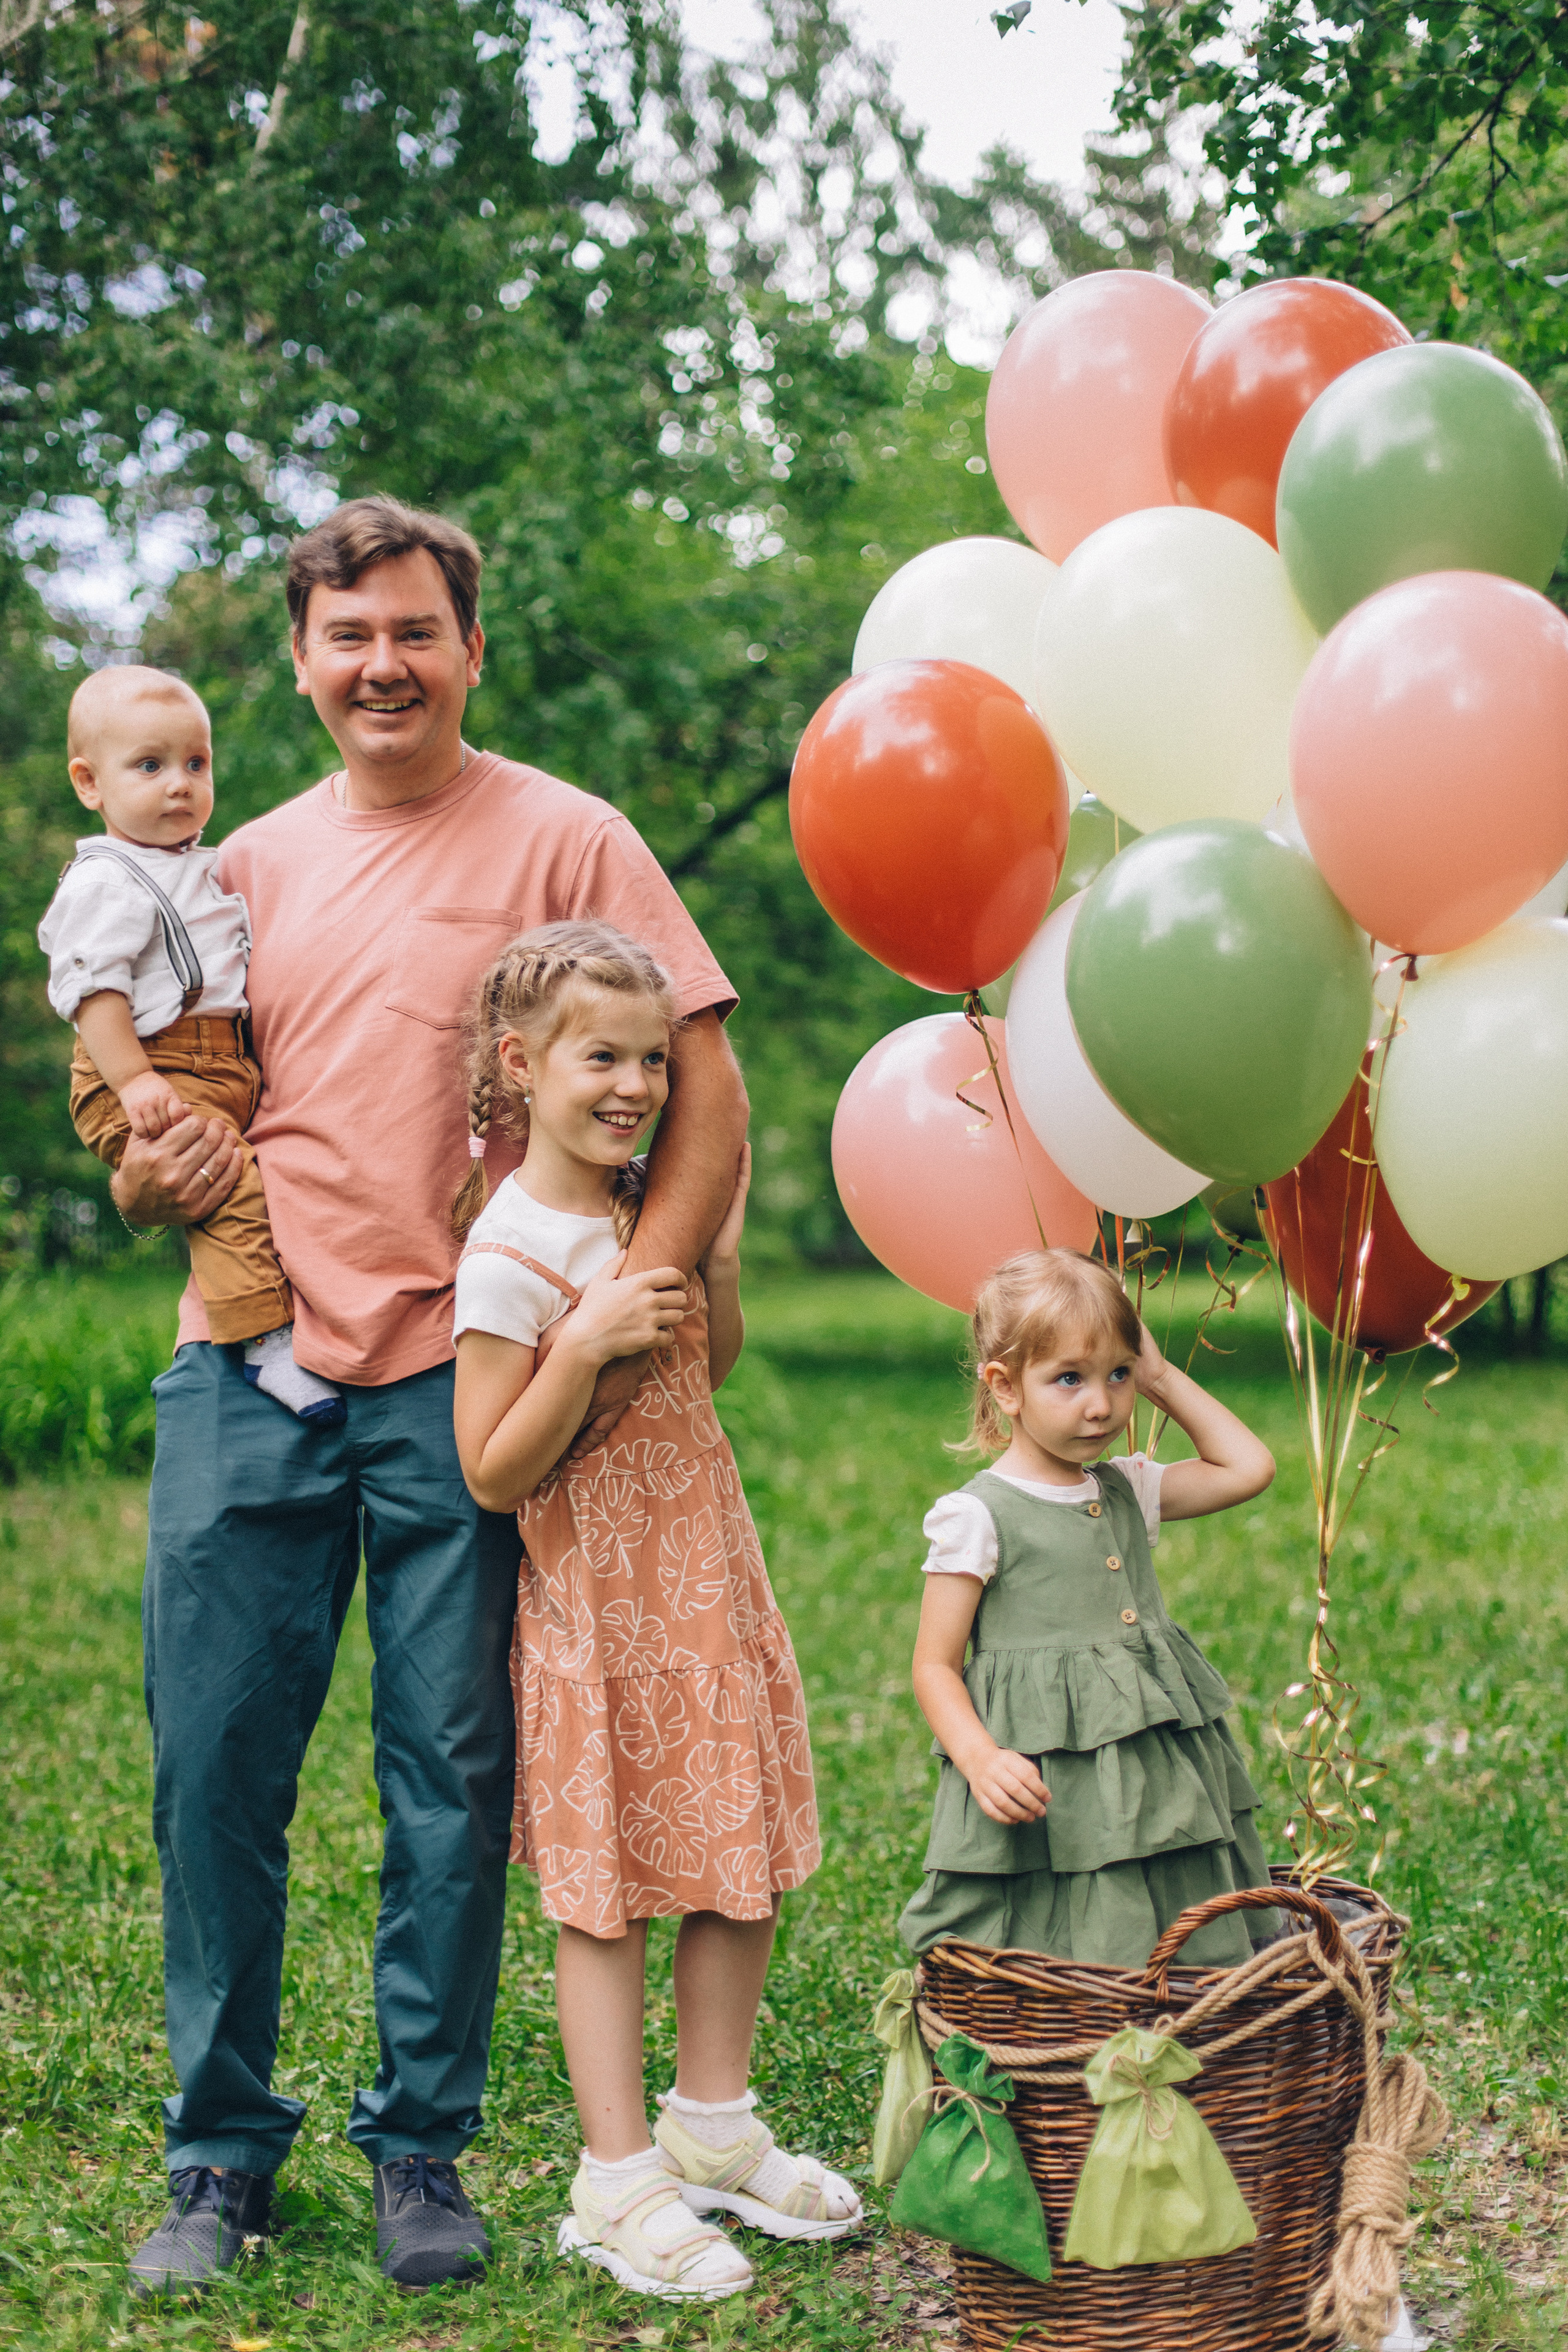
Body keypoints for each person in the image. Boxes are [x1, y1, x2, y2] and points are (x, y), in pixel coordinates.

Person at [115, 496, 750, 2299]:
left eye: (414, 629)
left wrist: (644, 1291)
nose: (380, 663)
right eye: (346, 635)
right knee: (213, 1763)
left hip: (468, 1372)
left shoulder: (573, 836)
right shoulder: (232, 869)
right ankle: (221, 2152)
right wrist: (150, 1178)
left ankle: (422, 2146)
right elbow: (168, 1128)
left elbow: (709, 1084)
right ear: (303, 661)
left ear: (469, 646)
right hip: (249, 1368)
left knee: (455, 1778)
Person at [450, 919, 859, 2303]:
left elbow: (707, 1366)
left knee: (735, 1856)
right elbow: (492, 1465)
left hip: (703, 1583)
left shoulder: (646, 1209)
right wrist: (574, 1345)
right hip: (598, 1612)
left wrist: (718, 1268)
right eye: (597, 1057)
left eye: (647, 1060)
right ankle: (615, 2176)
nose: (630, 1084)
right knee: (610, 1893)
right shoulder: (512, 1243)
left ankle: (712, 2120)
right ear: (520, 1066)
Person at [899, 1248, 1279, 1969]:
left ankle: (1180, 1997)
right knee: (1074, 1898)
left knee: (1165, 1876)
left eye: (1118, 1376)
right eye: (1067, 1379)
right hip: (1050, 1772)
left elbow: (1247, 1468)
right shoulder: (977, 1516)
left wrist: (1161, 1375)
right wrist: (979, 1758)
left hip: (1153, 1766)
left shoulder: (1126, 1486)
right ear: (1005, 1388)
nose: (1100, 1404)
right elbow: (934, 1666)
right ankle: (1074, 2020)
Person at [36, 666, 341, 1422]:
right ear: (89, 783)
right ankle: (264, 1344)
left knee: (252, 1181)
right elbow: (94, 995)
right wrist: (135, 1081)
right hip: (149, 1064)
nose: (180, 784)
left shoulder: (195, 867)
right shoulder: (107, 879)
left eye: (195, 764)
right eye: (150, 766)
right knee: (225, 1184)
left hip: (212, 1059)